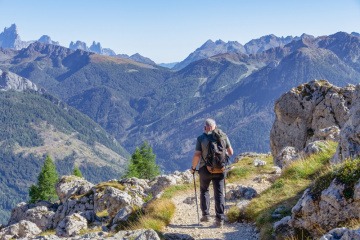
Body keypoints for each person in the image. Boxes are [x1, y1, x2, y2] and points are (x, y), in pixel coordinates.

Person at [191, 118, 234, 227]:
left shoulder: (201, 138)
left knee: (204, 190)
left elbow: (197, 155)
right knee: (219, 193)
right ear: (215, 126)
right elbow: (230, 152)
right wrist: (221, 161)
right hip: (220, 169)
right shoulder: (223, 136)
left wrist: (193, 168)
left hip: (205, 168)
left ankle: (205, 214)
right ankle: (220, 218)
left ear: (206, 127)